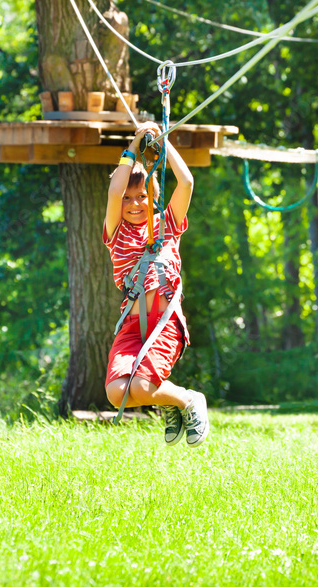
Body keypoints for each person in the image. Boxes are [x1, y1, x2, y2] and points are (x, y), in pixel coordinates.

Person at [102, 121, 210, 447]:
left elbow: (187, 182)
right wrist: (134, 148)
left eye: (143, 196)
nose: (135, 203)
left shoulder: (168, 225)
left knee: (142, 388)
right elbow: (114, 190)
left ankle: (189, 400)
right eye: (129, 198)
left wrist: (163, 144)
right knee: (116, 392)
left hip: (164, 324)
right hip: (133, 326)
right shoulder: (115, 233)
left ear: (155, 197)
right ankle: (173, 401)